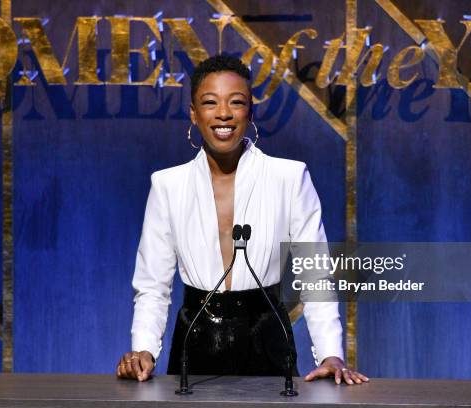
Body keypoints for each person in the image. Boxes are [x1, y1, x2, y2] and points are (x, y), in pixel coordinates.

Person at [116, 54, 368, 385]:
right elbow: (153, 285)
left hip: (267, 340)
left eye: (236, 102)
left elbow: (315, 276)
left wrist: (331, 354)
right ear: (194, 114)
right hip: (194, 341)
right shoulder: (168, 185)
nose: (223, 113)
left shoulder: (289, 178)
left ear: (251, 112)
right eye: (210, 102)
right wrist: (144, 350)